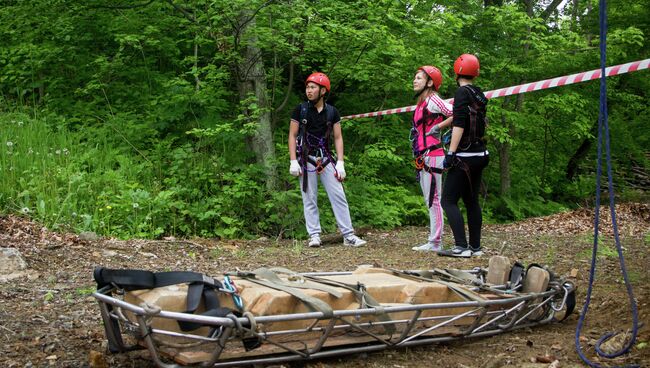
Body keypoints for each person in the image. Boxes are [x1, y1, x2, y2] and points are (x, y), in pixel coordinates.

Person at [288, 72, 367, 248]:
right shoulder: (300, 110)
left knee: (338, 195)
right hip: (306, 158)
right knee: (309, 197)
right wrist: (293, 160)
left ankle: (348, 235)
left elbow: (338, 137)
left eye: (313, 87)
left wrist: (340, 162)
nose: (309, 91)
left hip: (325, 158)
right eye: (308, 87)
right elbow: (292, 135)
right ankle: (314, 235)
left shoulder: (332, 112)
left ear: (323, 91)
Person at [440, 54, 489, 258]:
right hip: (480, 153)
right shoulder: (478, 93)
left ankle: (461, 246)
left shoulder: (461, 92)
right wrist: (440, 126)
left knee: (448, 200)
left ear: (456, 71)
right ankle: (475, 247)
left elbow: (459, 123)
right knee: (471, 201)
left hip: (465, 156)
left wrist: (451, 152)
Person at [409, 66, 453, 252]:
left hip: (434, 156)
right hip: (424, 156)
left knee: (434, 199)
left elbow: (456, 112)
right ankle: (433, 240)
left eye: (419, 78)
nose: (414, 80)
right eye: (415, 77)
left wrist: (439, 126)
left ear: (429, 82)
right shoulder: (422, 103)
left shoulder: (434, 99)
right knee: (430, 199)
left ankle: (435, 242)